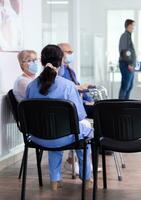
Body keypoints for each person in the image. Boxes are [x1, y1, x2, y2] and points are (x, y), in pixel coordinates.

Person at [26, 44, 93, 190]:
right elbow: (80, 115)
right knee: (84, 133)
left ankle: (55, 180)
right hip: (63, 137)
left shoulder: (31, 86)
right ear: (61, 60)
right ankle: (87, 177)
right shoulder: (68, 86)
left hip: (38, 137)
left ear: (42, 62)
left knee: (53, 130)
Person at [57, 43, 94, 118]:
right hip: (70, 106)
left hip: (78, 102)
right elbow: (65, 92)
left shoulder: (70, 71)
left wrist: (90, 100)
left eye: (72, 52)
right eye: (69, 52)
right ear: (59, 53)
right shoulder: (58, 72)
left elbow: (78, 87)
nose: (71, 54)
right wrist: (85, 102)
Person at [118, 19, 136, 100]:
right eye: (133, 25)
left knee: (129, 86)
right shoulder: (125, 36)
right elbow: (124, 51)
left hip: (128, 65)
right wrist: (130, 63)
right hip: (126, 64)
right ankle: (121, 106)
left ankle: (126, 104)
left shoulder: (128, 36)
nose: (133, 27)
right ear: (129, 26)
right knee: (125, 86)